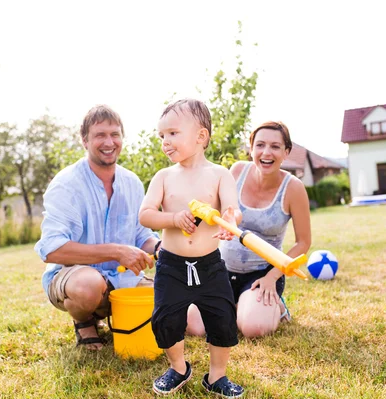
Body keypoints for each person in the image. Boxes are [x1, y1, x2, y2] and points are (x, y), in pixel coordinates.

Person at [139, 99, 244, 397]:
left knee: (222, 317)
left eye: (172, 133)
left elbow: (234, 211)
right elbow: (145, 214)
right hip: (171, 266)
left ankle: (217, 375)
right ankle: (178, 367)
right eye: (161, 136)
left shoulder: (220, 174)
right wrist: (173, 218)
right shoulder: (163, 177)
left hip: (210, 265)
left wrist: (229, 219)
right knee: (166, 319)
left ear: (200, 137)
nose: (165, 142)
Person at [34, 105, 159, 351]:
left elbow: (142, 234)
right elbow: (51, 250)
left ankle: (116, 318)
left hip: (123, 279)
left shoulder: (132, 183)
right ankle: (84, 322)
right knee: (88, 286)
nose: (109, 142)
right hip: (76, 280)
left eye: (115, 134)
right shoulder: (66, 184)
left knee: (172, 302)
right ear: (84, 140)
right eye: (100, 135)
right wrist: (116, 251)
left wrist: (160, 247)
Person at [187, 121, 311, 338]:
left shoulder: (293, 188)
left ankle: (275, 307)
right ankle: (237, 305)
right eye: (260, 145)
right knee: (196, 327)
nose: (266, 152)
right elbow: (222, 211)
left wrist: (272, 277)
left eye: (275, 146)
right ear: (251, 149)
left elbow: (303, 242)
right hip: (221, 270)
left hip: (262, 274)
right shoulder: (236, 172)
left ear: (286, 152)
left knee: (253, 329)